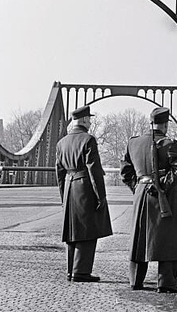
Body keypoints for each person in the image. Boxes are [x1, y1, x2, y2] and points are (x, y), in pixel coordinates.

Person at [121, 106, 177, 293]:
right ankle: (166, 282)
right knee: (167, 237)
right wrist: (163, 186)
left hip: (142, 193)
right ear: (165, 125)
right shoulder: (170, 144)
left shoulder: (133, 143)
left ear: (150, 122)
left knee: (140, 237)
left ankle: (136, 280)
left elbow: (125, 172)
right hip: (163, 197)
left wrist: (137, 187)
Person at [55, 105, 113, 282]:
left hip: (69, 187)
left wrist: (63, 196)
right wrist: (100, 196)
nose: (90, 122)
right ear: (85, 120)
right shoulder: (88, 140)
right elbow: (94, 170)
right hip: (85, 187)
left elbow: (59, 172)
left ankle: (71, 270)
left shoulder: (61, 142)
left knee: (72, 230)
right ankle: (81, 272)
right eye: (89, 119)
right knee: (88, 230)